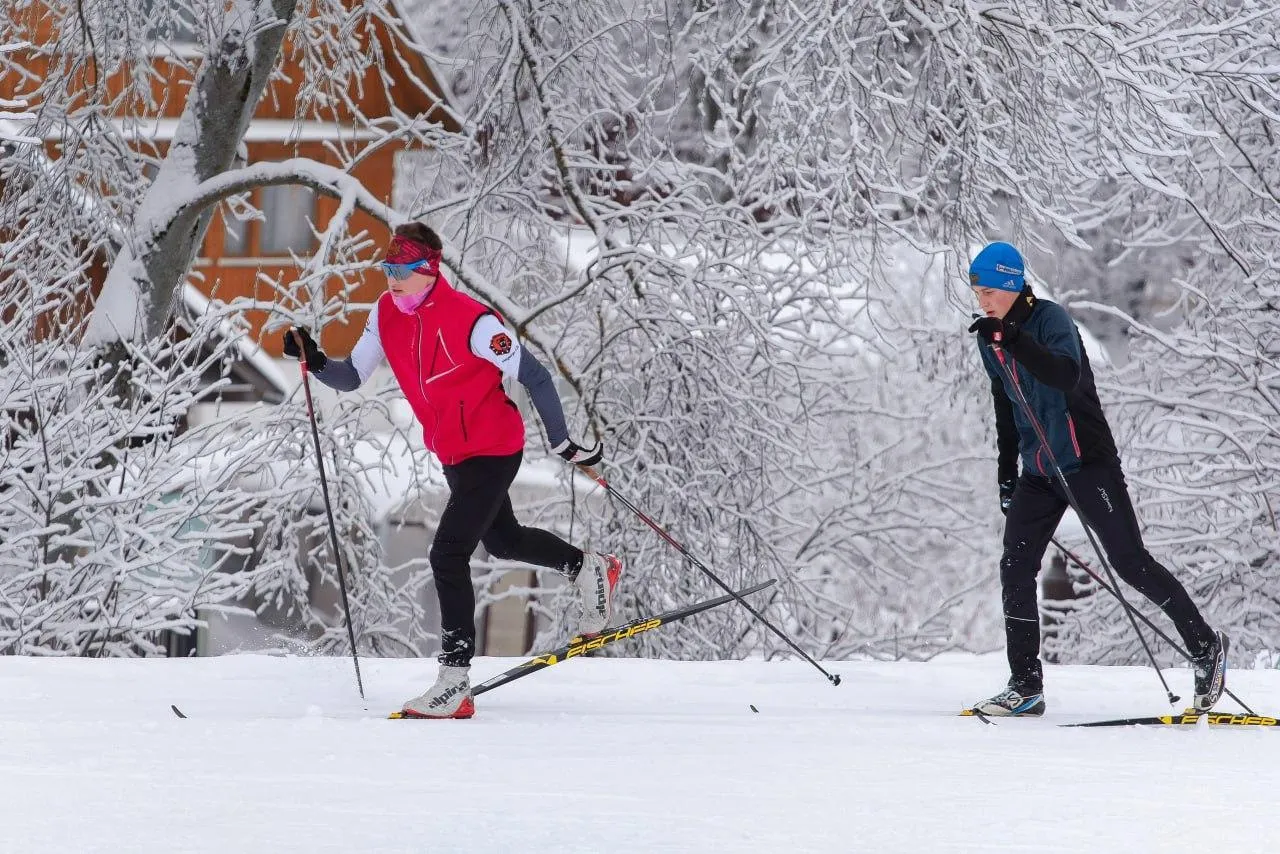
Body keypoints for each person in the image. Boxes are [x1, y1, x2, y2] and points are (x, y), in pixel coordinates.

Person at [284, 222, 622, 719]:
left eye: (401, 270)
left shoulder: (473, 322)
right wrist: (314, 361)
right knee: (503, 541)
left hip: (494, 448)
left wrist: (563, 443)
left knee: (447, 553)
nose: (390, 279)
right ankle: (588, 568)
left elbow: (535, 376)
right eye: (386, 269)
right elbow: (354, 376)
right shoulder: (385, 316)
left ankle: (454, 680)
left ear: (429, 271)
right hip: (454, 455)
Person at [965, 241, 1226, 717]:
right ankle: (1026, 685)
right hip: (1039, 471)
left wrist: (1011, 340)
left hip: (1087, 463)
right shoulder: (990, 337)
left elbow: (1064, 375)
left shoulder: (1050, 321)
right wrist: (1007, 473)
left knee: (1129, 562)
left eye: (987, 291)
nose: (981, 300)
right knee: (1015, 567)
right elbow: (1005, 406)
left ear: (1009, 284)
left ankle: (1206, 646)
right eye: (976, 292)